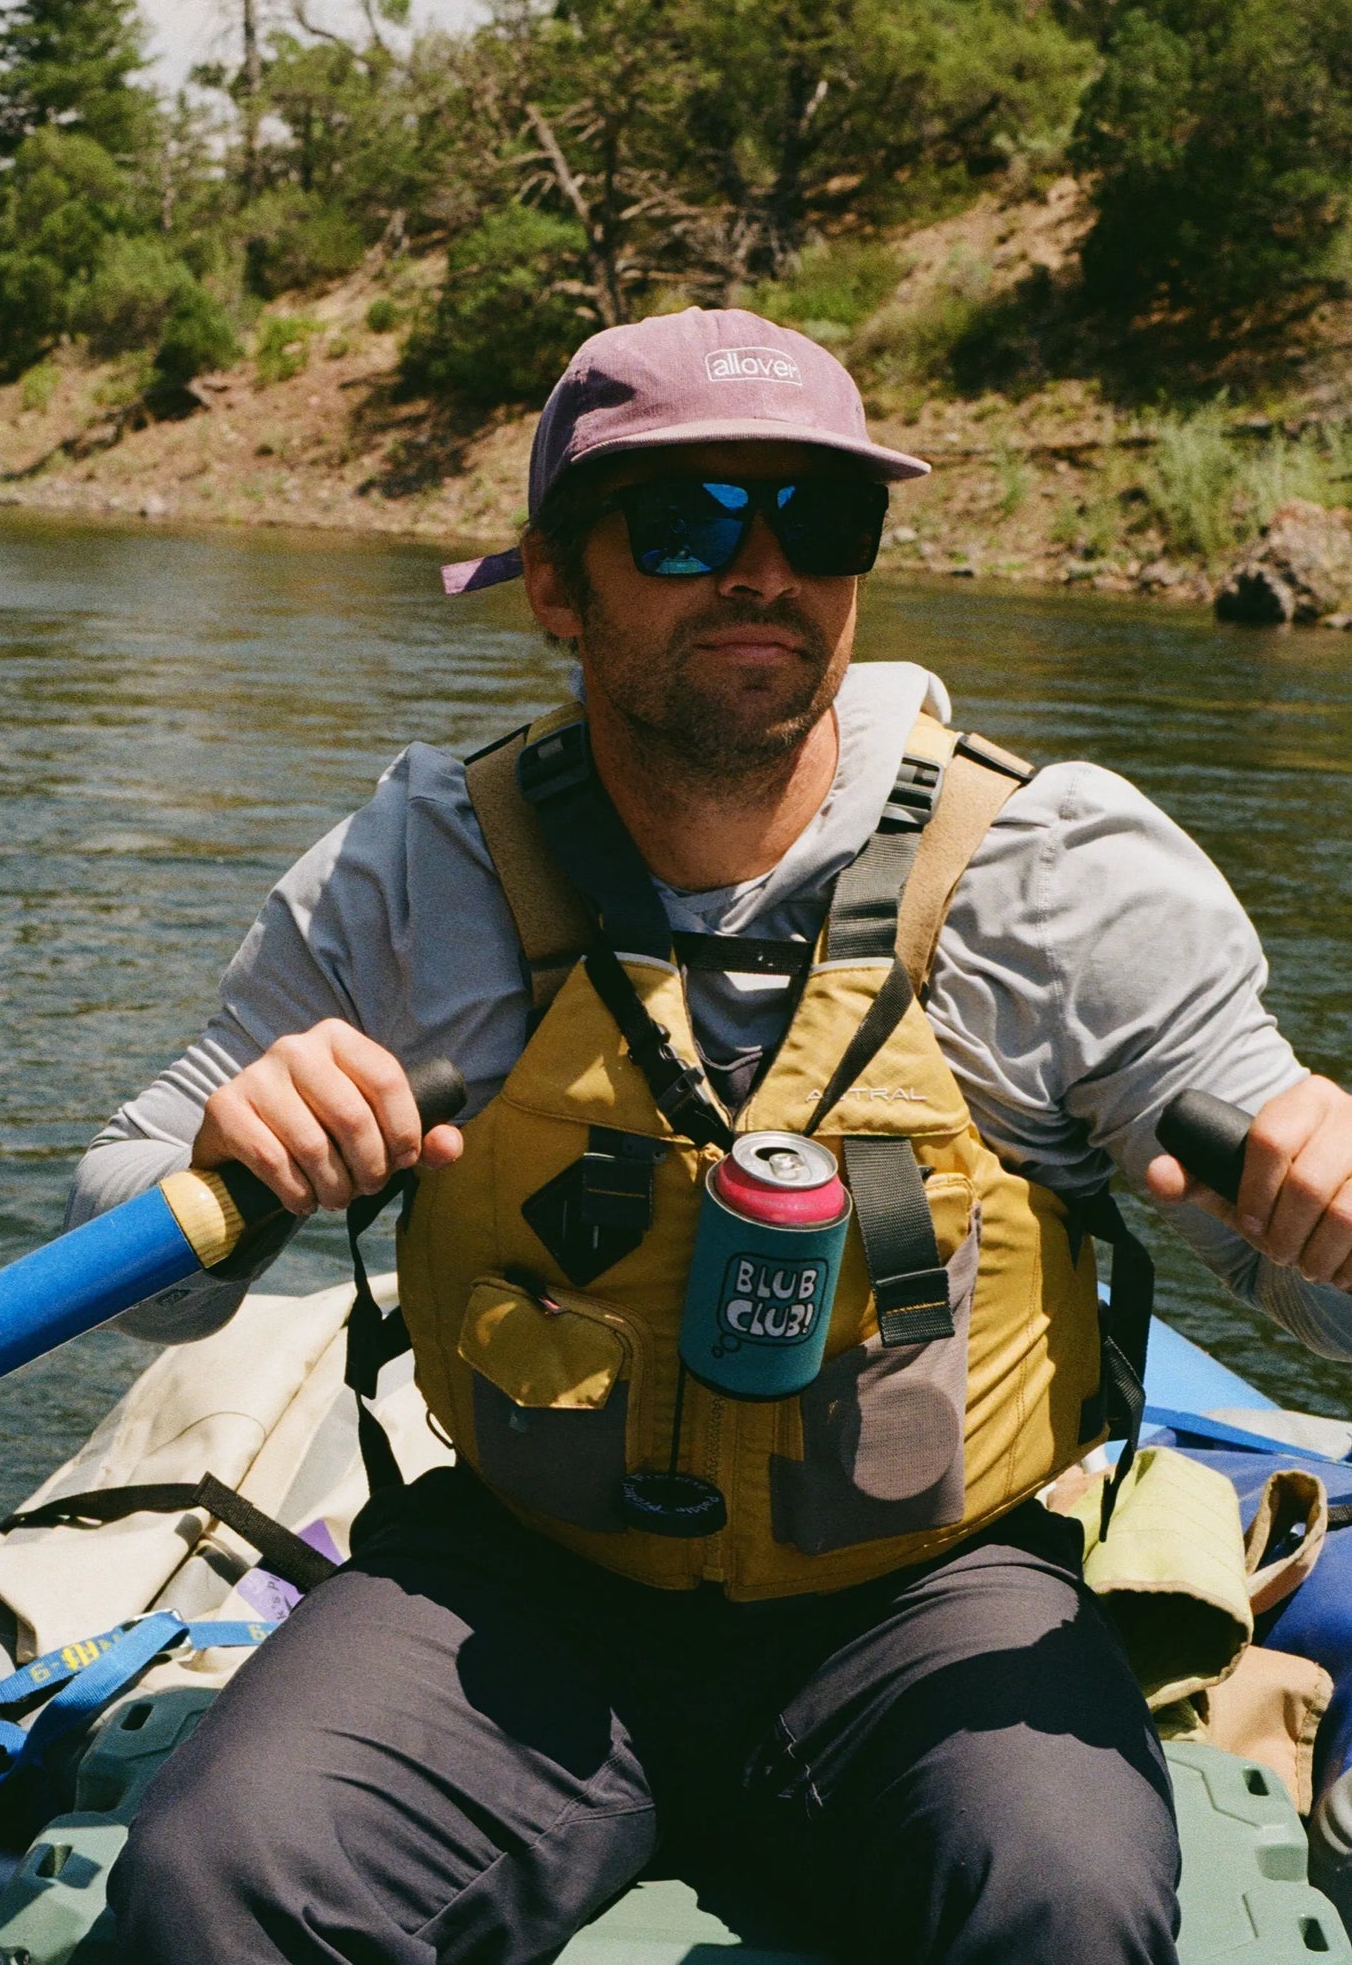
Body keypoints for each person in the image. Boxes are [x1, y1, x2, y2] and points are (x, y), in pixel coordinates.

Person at [73, 307, 1352, 1965]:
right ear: (555, 583)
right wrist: (231, 1165)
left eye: (820, 518)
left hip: (930, 1592)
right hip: (521, 1582)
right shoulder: (413, 876)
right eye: (684, 522)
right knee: (214, 1875)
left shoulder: (1059, 880)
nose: (763, 569)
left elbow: (1311, 1290)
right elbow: (127, 1243)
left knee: (1069, 1895)